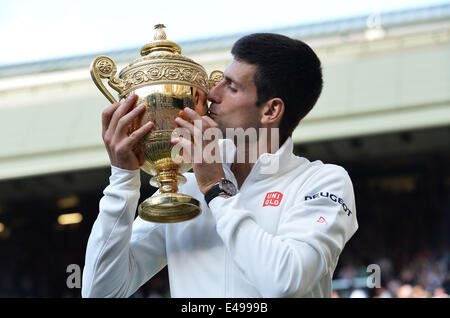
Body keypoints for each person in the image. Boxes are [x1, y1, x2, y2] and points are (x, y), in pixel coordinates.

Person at [82, 33, 358, 298]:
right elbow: (100, 291)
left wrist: (217, 189)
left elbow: (285, 281)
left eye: (231, 86)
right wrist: (122, 179)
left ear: (271, 110)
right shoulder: (186, 186)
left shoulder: (324, 181)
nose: (211, 93)